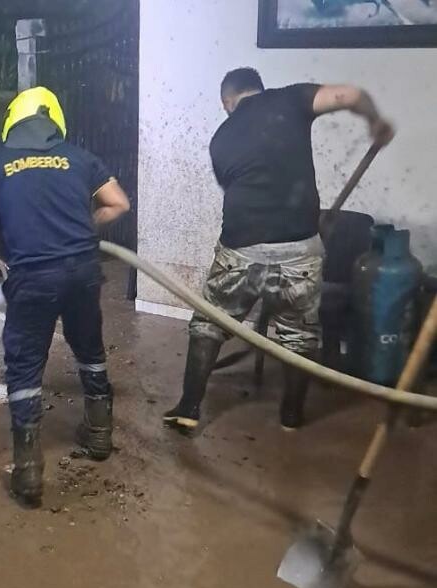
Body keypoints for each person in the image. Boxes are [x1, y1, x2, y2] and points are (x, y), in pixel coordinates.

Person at [164, 68, 395, 433]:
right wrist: (375, 121)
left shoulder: (220, 139)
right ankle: (291, 416)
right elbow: (350, 94)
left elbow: (248, 191)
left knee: (209, 325)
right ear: (259, 88)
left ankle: (188, 408)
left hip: (241, 248)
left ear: (227, 101)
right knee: (298, 334)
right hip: (301, 246)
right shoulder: (291, 98)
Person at [0, 87, 131, 506]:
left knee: (25, 364)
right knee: (89, 348)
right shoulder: (80, 158)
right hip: (82, 270)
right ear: (54, 121)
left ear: (13, 121)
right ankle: (99, 435)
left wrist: (16, 258)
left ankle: (28, 471)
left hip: (32, 276)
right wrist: (82, 228)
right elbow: (118, 203)